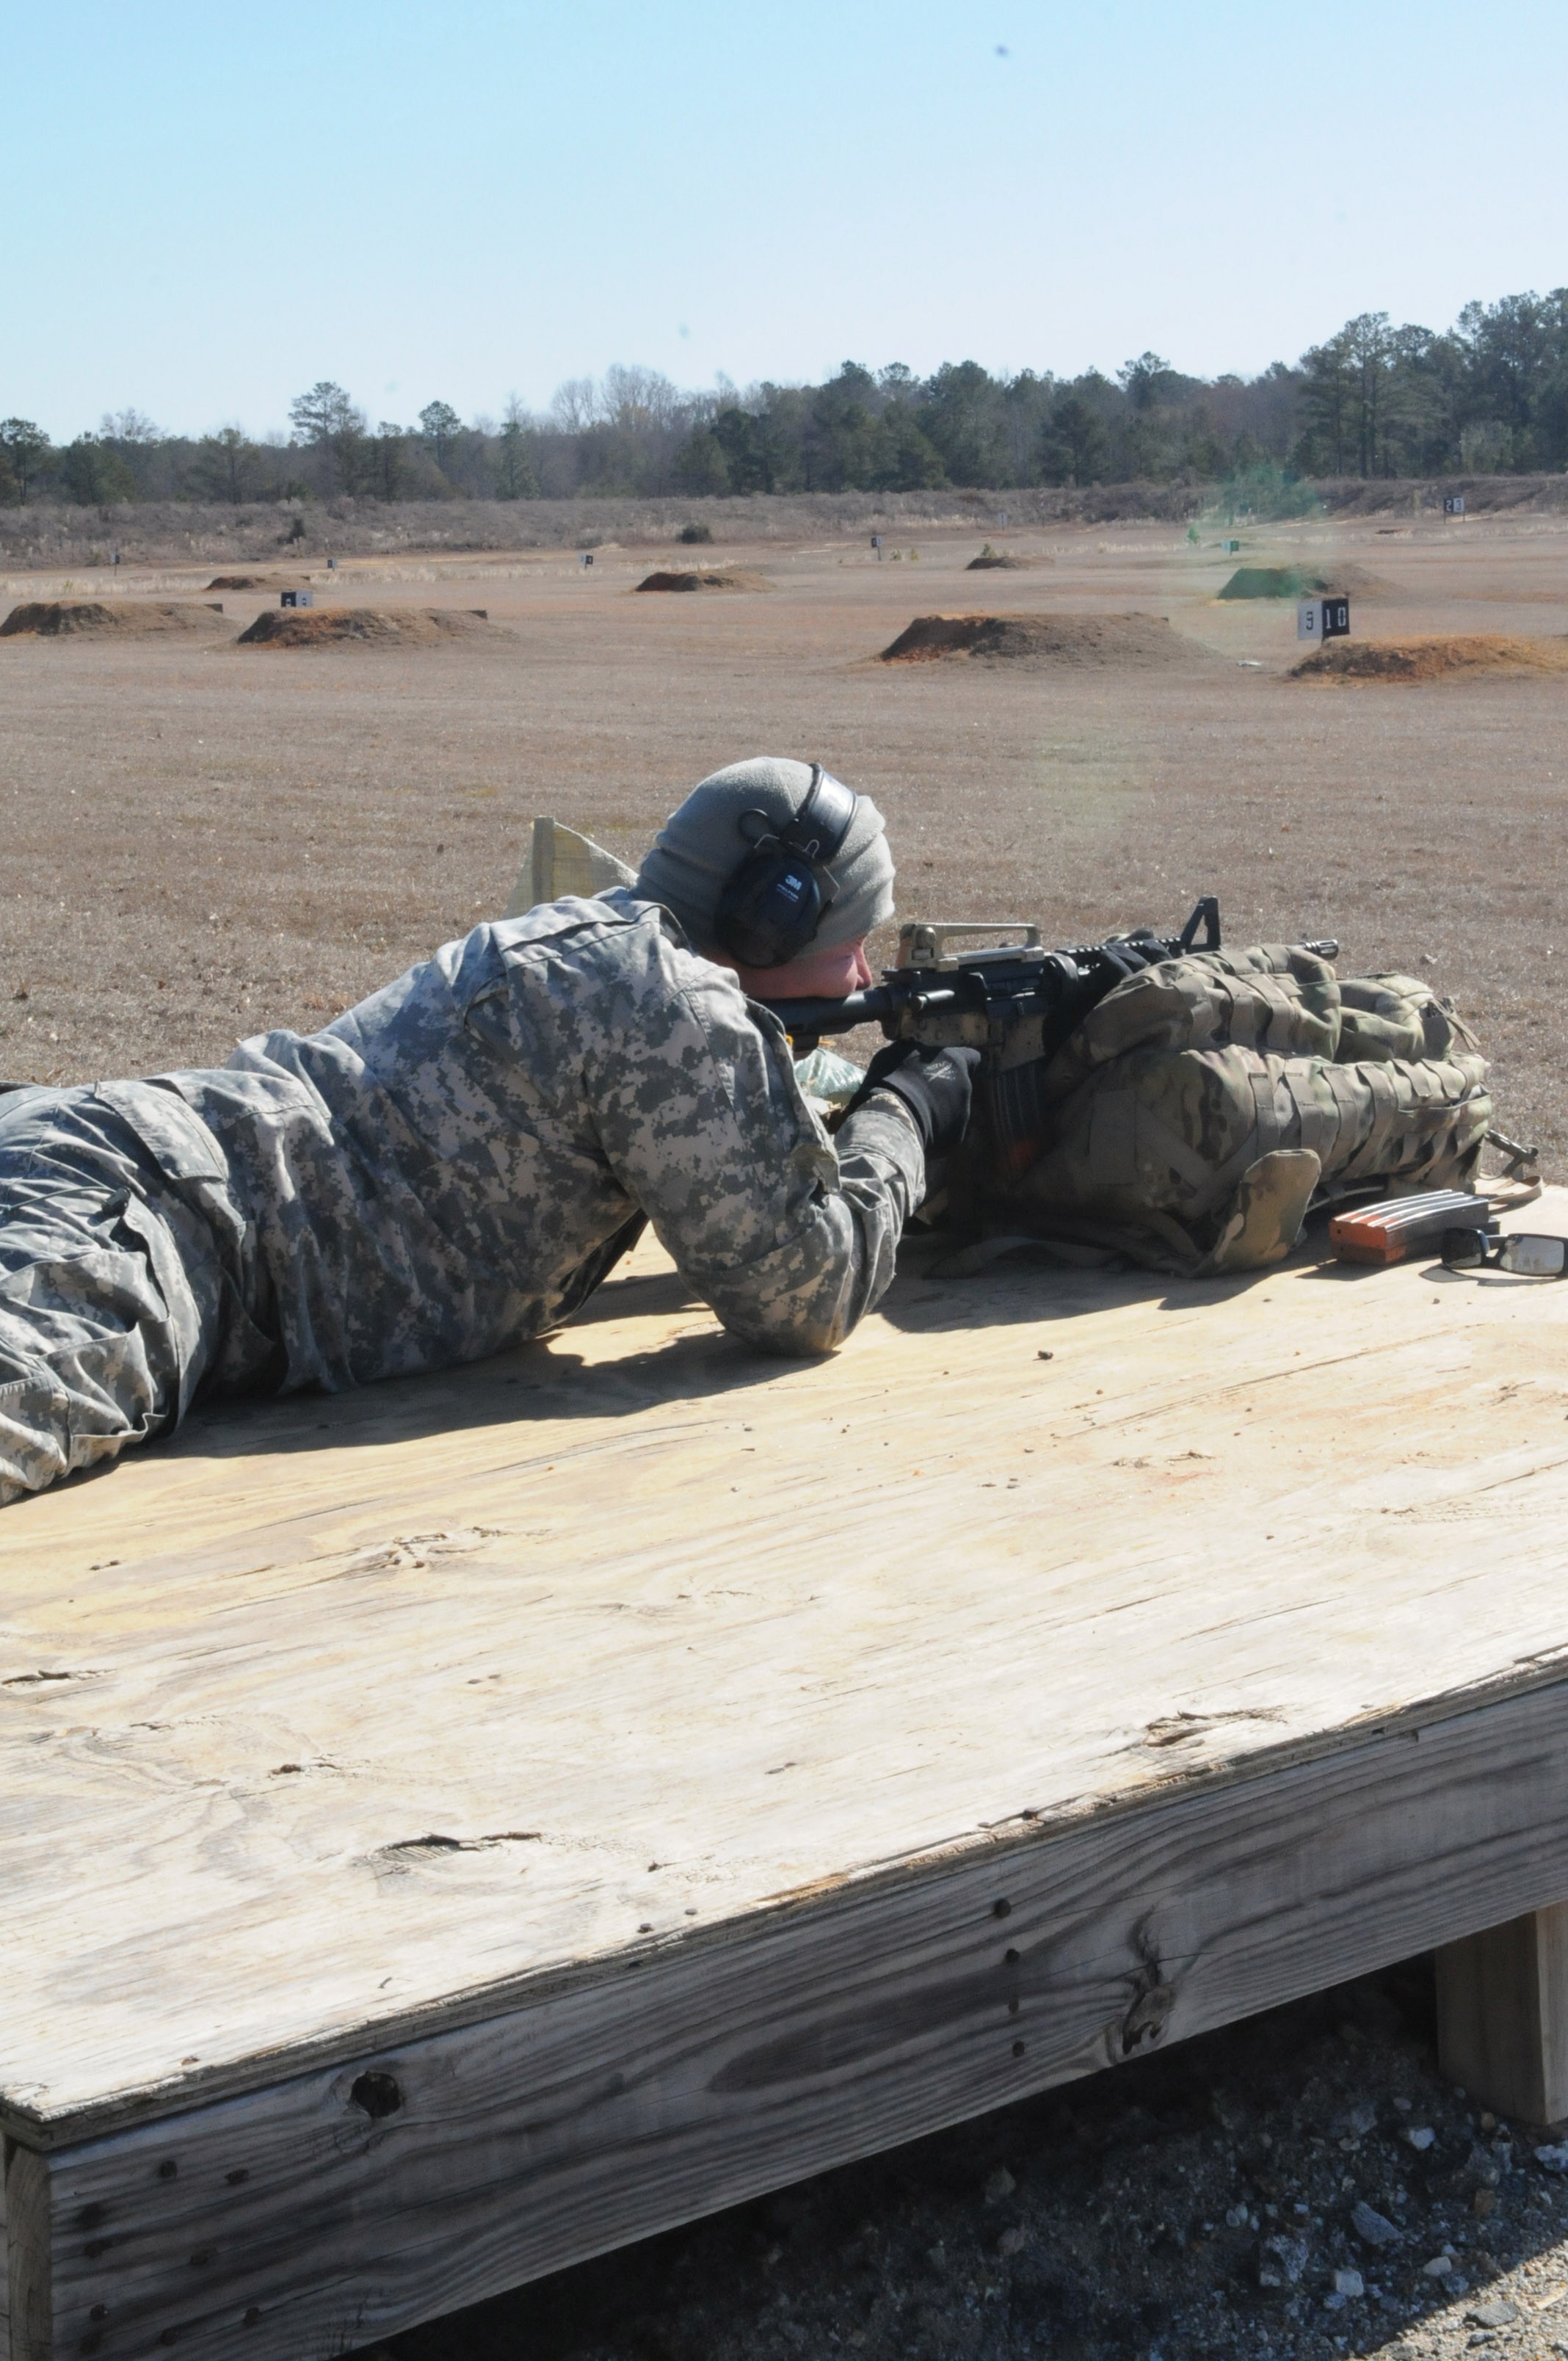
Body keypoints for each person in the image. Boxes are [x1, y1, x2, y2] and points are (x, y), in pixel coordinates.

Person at [0, 758, 976, 1506]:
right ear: (771, 917)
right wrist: (912, 1106)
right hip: (153, 1231)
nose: (858, 980)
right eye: (852, 942)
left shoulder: (595, 944)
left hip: (127, 1158)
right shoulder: (673, 1005)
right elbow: (802, 1297)